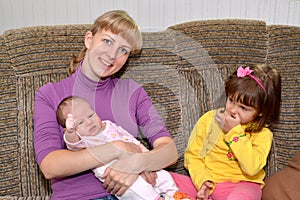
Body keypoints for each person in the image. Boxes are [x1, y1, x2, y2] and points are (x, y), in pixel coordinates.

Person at [33, 10, 178, 200]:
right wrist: (117, 149)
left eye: (123, 50)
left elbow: (169, 150)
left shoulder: (132, 92)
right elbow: (50, 166)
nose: (112, 55)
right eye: (107, 41)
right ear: (89, 39)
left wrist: (138, 163)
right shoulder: (50, 94)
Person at [184, 64, 281, 200]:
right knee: (161, 178)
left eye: (243, 108)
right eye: (231, 100)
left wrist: (234, 132)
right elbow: (192, 156)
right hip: (208, 181)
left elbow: (252, 168)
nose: (233, 110)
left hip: (242, 185)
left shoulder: (263, 134)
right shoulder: (209, 120)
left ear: (261, 112)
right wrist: (203, 181)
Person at [56, 96, 179, 200]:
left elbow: (130, 140)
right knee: (136, 189)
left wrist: (146, 160)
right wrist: (71, 133)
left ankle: (176, 195)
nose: (89, 122)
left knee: (164, 176)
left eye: (90, 115)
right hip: (119, 177)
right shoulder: (83, 140)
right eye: (80, 123)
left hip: (140, 163)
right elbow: (72, 145)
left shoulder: (109, 125)